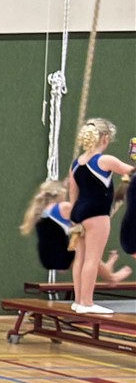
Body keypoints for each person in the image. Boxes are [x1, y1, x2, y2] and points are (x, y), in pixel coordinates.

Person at [66, 118, 134, 314]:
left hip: (79, 212)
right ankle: (87, 303)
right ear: (104, 138)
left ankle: (78, 301)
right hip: (96, 214)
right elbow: (131, 172)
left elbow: (73, 193)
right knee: (93, 259)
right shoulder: (104, 160)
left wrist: (74, 219)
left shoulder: (76, 164)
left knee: (80, 258)